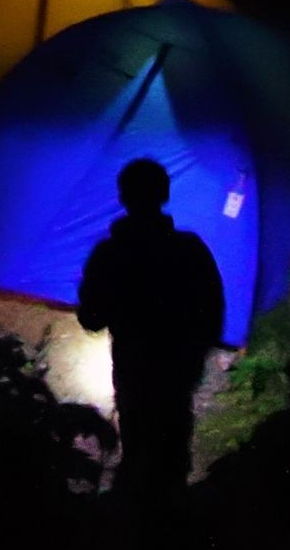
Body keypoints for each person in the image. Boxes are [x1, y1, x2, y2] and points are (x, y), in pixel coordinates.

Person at [76, 156, 226, 519]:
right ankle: (168, 527)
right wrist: (193, 355)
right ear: (165, 194)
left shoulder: (109, 255)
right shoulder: (189, 250)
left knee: (138, 449)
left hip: (133, 371)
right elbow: (213, 314)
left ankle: (136, 525)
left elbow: (91, 318)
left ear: (122, 197)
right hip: (177, 373)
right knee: (172, 454)